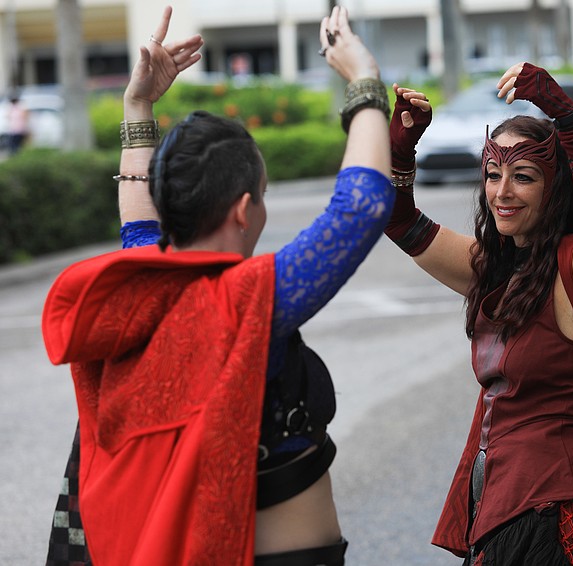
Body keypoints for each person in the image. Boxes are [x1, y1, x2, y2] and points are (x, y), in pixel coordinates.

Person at [42, 6, 392, 566]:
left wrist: (138, 106)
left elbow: (138, 226)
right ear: (243, 209)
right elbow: (363, 207)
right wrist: (365, 81)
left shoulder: (139, 292)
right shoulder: (243, 301)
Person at [385, 63, 573, 565]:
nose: (502, 193)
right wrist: (402, 149)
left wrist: (566, 114)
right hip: (502, 513)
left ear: (555, 188)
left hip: (564, 525)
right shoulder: (492, 266)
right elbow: (398, 221)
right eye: (493, 174)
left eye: (523, 177)